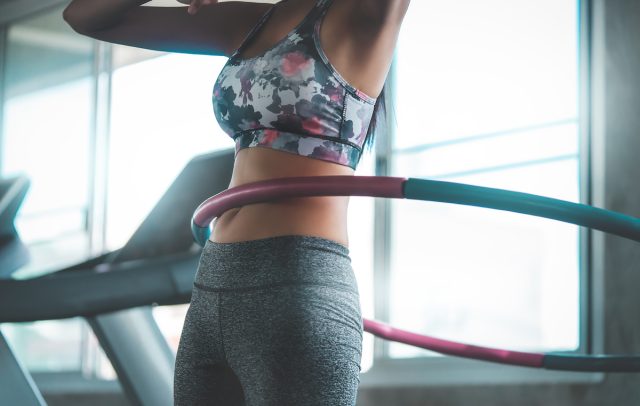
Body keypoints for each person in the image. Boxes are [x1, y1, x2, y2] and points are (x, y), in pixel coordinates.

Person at [63, 0, 410, 404]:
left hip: (296, 285)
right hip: (213, 282)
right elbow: (85, 16)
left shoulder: (362, 16)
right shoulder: (252, 21)